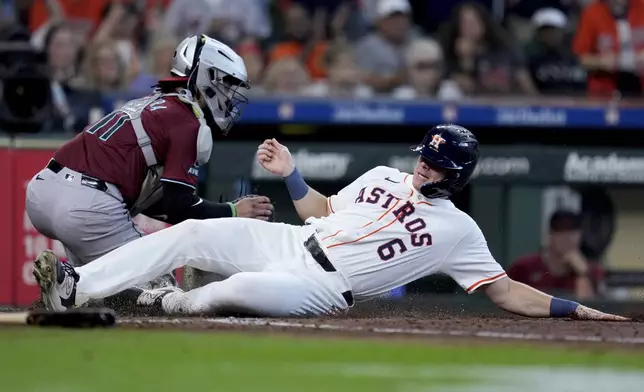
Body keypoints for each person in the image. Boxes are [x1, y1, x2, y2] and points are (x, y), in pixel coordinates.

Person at [32, 125, 628, 321]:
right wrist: (292, 174)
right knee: (185, 234)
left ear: (455, 175)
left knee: (231, 291)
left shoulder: (459, 232)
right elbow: (319, 210)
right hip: (296, 239)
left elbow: (501, 289)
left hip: (323, 286)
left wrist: (575, 309)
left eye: (435, 162)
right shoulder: (384, 176)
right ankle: (76, 287)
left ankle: (171, 305)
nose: (423, 164)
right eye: (424, 155)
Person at [25, 34, 274, 291]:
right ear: (206, 78)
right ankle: (67, 285)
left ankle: (69, 282)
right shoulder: (186, 121)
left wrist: (219, 214)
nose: (231, 95)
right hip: (87, 203)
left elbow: (163, 203)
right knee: (158, 292)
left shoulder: (151, 103)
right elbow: (180, 204)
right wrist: (233, 212)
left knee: (100, 288)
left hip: (43, 191)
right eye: (227, 83)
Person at [508, 209, 604, 300]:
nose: (567, 237)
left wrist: (582, 273)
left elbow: (588, 309)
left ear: (580, 235)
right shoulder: (524, 267)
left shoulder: (592, 271)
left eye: (573, 231)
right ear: (549, 235)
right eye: (561, 230)